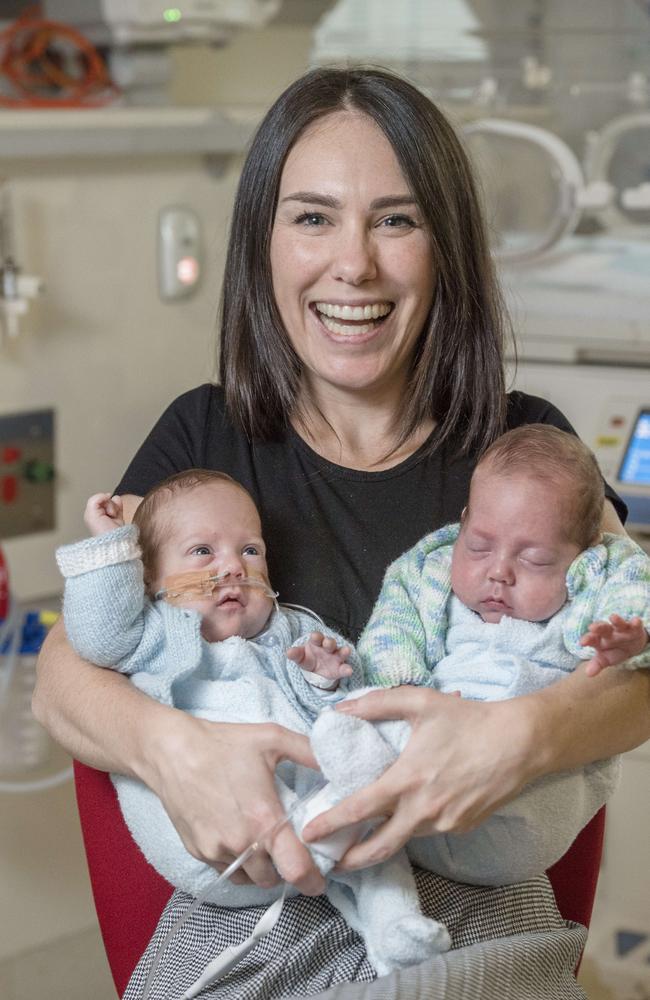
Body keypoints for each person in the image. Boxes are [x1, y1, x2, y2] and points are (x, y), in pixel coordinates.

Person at [33, 65, 650, 999]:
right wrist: (174, 751)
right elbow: (62, 676)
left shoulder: (527, 450)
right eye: (313, 217)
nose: (353, 264)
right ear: (264, 245)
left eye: (396, 219)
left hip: (464, 924)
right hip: (266, 918)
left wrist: (522, 735)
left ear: (446, 246)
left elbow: (643, 663)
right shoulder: (204, 440)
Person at [56, 469, 451, 977]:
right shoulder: (152, 634)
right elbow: (97, 636)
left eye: (250, 551)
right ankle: (330, 831)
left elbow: (339, 698)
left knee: (377, 835)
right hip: (219, 841)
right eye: (203, 552)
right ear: (152, 579)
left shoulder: (290, 629)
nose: (233, 569)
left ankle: (396, 928)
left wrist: (325, 676)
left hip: (319, 807)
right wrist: (110, 546)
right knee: (350, 810)